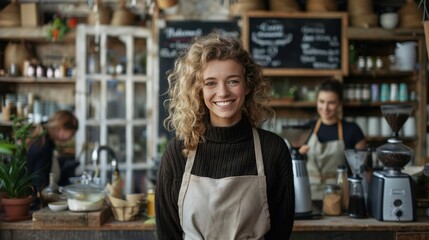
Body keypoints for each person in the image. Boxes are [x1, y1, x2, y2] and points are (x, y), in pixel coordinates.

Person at [155, 32, 295, 239]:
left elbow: (280, 231)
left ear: (247, 86)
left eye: (232, 81)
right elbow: (167, 232)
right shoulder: (179, 151)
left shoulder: (272, 149)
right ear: (198, 90)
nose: (222, 93)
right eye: (210, 83)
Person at [299, 79, 366, 200]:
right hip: (309, 196)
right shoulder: (306, 129)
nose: (325, 107)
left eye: (331, 103)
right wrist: (299, 155)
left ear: (339, 103)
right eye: (321, 101)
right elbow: (294, 164)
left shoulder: (353, 130)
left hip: (340, 195)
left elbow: (363, 168)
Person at [26, 110, 79, 193]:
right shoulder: (44, 146)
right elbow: (39, 183)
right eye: (72, 134)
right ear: (62, 128)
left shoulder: (44, 140)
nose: (71, 137)